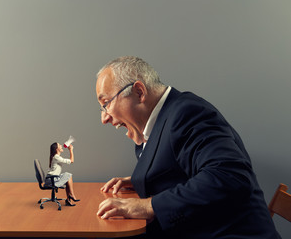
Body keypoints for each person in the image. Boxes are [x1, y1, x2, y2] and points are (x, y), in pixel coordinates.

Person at [95, 56, 280, 238]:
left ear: (139, 92)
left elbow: (229, 176)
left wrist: (148, 206)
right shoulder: (161, 118)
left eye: (106, 104)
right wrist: (143, 180)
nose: (104, 118)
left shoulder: (187, 113)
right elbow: (181, 168)